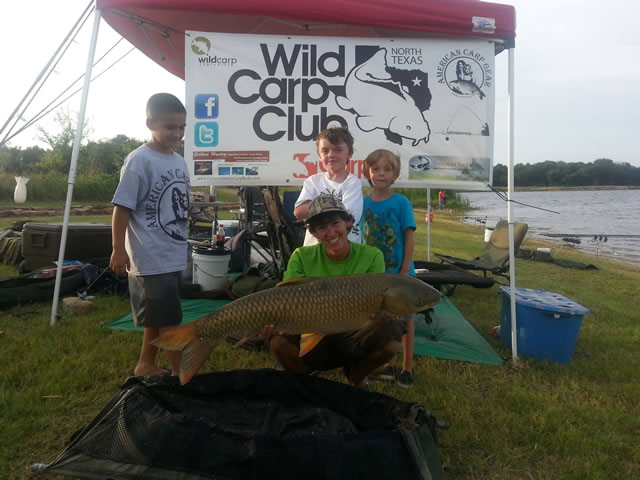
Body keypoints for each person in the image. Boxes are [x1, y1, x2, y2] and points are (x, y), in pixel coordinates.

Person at [265, 194, 405, 389]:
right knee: (278, 341)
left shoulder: (372, 255)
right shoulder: (301, 256)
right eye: (322, 227)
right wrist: (275, 322)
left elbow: (377, 301)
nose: (330, 232)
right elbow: (286, 302)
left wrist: (381, 315)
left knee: (392, 336)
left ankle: (356, 376)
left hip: (353, 334)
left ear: (347, 222)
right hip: (311, 332)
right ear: (313, 232)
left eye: (335, 223)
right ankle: (304, 381)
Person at [110, 92, 189, 377]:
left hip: (172, 253)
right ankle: (184, 377)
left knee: (160, 316)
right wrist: (118, 248)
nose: (177, 133)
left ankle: (145, 365)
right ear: (150, 123)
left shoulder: (179, 161)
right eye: (170, 127)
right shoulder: (139, 161)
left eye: (182, 128)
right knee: (170, 324)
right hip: (149, 256)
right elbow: (122, 209)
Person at [361, 149, 417, 388]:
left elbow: (409, 236)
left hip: (400, 274)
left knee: (405, 321)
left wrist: (405, 270)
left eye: (386, 169)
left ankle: (407, 367)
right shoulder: (362, 203)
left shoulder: (401, 202)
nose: (380, 174)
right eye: (375, 169)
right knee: (380, 320)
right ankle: (387, 364)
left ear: (395, 175)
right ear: (368, 173)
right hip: (376, 276)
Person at [294, 126, 363, 245]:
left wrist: (315, 211)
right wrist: (335, 207)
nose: (331, 155)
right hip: (314, 249)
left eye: (338, 150)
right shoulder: (312, 181)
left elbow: (347, 220)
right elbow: (299, 212)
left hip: (346, 250)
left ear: (349, 154)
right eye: (325, 151)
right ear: (319, 155)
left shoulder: (353, 183)